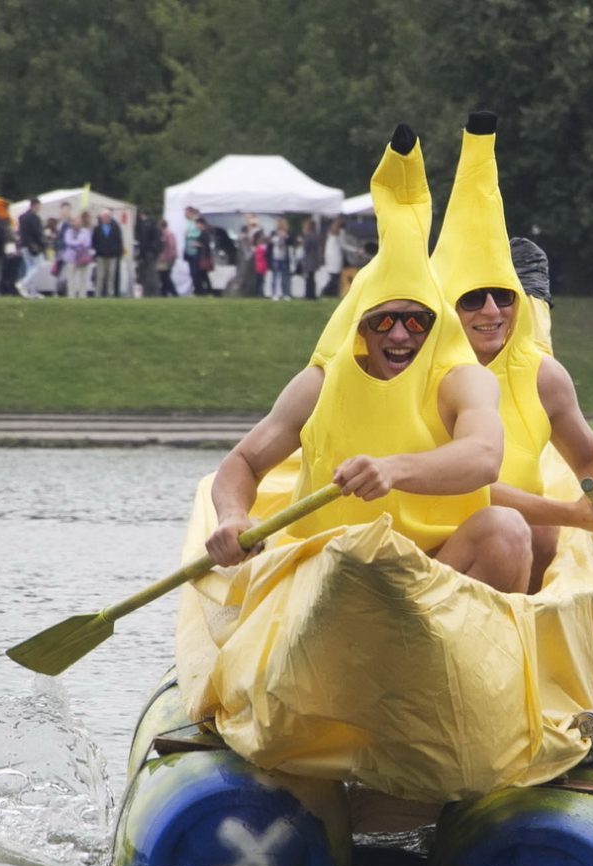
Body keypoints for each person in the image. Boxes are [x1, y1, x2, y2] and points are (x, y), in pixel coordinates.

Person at [205, 123, 529, 594]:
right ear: (360, 326)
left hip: (435, 574)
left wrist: (392, 470)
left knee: (508, 529)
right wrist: (233, 516)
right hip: (328, 571)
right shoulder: (319, 384)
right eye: (383, 321)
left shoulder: (463, 380)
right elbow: (243, 463)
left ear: (436, 324)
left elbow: (484, 458)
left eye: (417, 321)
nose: (400, 334)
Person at [424, 112, 593, 590]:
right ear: (449, 305)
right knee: (512, 526)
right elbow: (463, 482)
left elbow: (591, 459)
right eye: (474, 299)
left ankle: (521, 627)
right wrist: (568, 512)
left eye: (505, 297)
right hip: (430, 549)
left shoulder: (543, 376)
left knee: (532, 531)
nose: (492, 311)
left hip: (514, 546)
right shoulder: (420, 369)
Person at [15, 200, 46, 298]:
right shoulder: (34, 217)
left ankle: (32, 292)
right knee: (39, 265)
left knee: (30, 268)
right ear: (35, 206)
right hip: (34, 246)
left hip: (24, 245)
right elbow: (37, 233)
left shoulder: (22, 217)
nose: (39, 209)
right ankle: (23, 283)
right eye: (39, 206)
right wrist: (42, 244)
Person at [91, 208, 124, 296]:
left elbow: (119, 241)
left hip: (113, 256)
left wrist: (118, 253)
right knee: (100, 276)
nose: (106, 218)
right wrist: (98, 251)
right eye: (105, 216)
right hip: (101, 256)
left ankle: (110, 294)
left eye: (108, 216)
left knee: (111, 276)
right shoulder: (97, 229)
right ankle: (98, 294)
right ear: (101, 218)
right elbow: (94, 242)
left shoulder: (115, 228)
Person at [62, 212, 94, 297]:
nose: (77, 223)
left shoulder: (86, 231)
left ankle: (82, 296)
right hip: (71, 258)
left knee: (83, 278)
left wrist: (77, 244)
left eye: (78, 221)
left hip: (83, 257)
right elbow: (68, 242)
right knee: (71, 278)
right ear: (72, 223)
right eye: (75, 221)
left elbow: (88, 243)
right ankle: (71, 296)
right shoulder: (68, 232)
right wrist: (79, 243)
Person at [156, 218, 179, 297]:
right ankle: (164, 293)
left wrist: (171, 258)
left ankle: (174, 293)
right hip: (166, 258)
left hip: (165, 259)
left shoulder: (167, 234)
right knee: (164, 276)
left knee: (165, 276)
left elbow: (171, 246)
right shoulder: (167, 234)